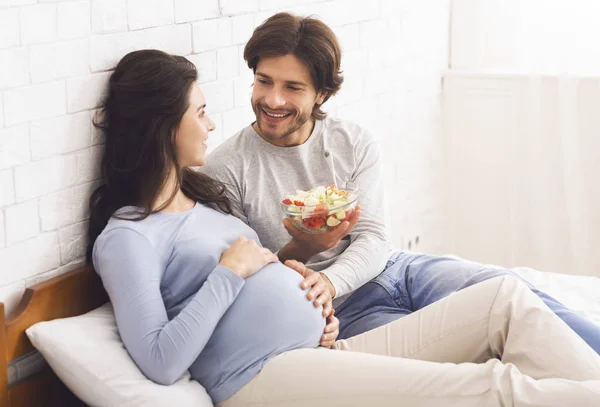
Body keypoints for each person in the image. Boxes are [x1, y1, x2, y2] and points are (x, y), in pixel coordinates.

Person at [86, 49, 600, 407]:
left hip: (320, 348)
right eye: (199, 113)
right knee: (489, 389)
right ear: (163, 126)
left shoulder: (200, 197)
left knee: (505, 301)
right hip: (261, 377)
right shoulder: (128, 237)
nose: (212, 124)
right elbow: (159, 360)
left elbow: (262, 272)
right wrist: (229, 273)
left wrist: (313, 299)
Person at [201, 11, 600, 353]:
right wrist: (308, 258)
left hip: (398, 269)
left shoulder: (351, 141)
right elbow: (252, 277)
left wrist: (330, 277)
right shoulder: (226, 169)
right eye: (264, 81)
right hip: (341, 312)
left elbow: (373, 236)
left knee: (517, 294)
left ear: (322, 94)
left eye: (292, 87)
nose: (272, 100)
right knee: (474, 350)